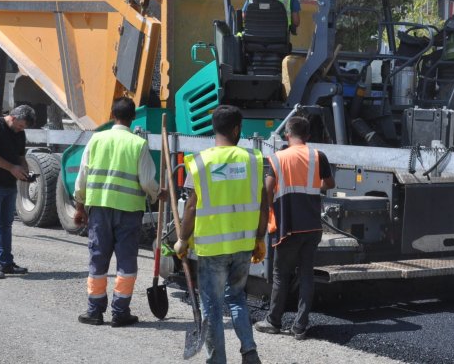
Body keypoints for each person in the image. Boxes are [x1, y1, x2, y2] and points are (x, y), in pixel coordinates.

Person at [174, 105, 268, 364]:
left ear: (214, 128)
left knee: (212, 307)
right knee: (236, 298)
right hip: (242, 246)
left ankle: (217, 360)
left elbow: (191, 205)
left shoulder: (202, 162)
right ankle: (249, 351)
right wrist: (260, 238)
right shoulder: (252, 160)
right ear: (237, 129)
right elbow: (263, 201)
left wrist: (183, 239)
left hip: (212, 249)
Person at [74, 97, 162, 327]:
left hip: (99, 210)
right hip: (129, 212)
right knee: (126, 262)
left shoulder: (96, 140)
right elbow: (146, 181)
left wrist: (79, 205)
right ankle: (120, 312)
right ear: (133, 118)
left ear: (112, 114)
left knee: (98, 260)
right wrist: (157, 194)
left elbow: (82, 176)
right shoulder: (138, 144)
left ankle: (94, 311)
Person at [254, 116, 334, 340]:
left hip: (287, 226)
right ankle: (300, 326)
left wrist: (269, 211)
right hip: (312, 226)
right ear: (307, 136)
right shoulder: (318, 156)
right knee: (306, 274)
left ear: (287, 134)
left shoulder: (277, 159)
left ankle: (273, 321)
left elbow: (267, 190)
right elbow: (329, 184)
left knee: (281, 274)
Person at [0, 105, 37, 279]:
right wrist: (12, 168)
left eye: (24, 127)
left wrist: (25, 171)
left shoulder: (20, 133)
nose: (21, 129)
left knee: (6, 225)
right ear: (13, 117)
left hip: (9, 185)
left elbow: (20, 157)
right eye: (20, 125)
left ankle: (6, 264)